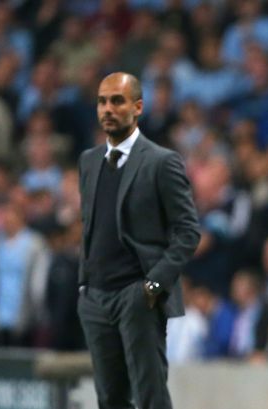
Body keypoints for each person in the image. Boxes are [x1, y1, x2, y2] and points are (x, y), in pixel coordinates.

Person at [77, 72, 200, 409]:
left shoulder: (162, 162)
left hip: (138, 296)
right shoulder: (88, 162)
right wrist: (84, 286)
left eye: (117, 100)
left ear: (138, 107)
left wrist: (152, 286)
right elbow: (91, 226)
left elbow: (188, 231)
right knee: (110, 399)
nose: (107, 109)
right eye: (102, 101)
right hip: (96, 298)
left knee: (150, 397)